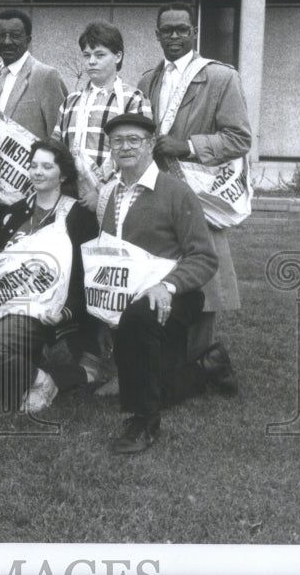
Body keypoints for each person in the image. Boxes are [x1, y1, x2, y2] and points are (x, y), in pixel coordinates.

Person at [92, 113, 232, 454]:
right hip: (130, 295)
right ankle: (208, 366)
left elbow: (204, 257)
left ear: (151, 145)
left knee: (140, 321)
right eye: (117, 141)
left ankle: (143, 421)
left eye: (134, 140)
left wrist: (166, 287)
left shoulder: (177, 193)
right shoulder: (108, 193)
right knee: (158, 383)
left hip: (174, 295)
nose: (125, 147)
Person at [137, 2, 251, 363]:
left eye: (181, 29)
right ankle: (167, 352)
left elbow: (239, 139)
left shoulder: (220, 77)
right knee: (163, 267)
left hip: (198, 191)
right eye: (167, 30)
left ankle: (203, 357)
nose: (174, 36)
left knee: (203, 272)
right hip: (158, 191)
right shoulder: (146, 80)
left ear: (194, 33)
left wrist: (187, 146)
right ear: (157, 35)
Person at [0, 139, 98, 413]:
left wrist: (65, 312)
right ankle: (44, 372)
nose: (37, 172)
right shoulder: (14, 212)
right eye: (33, 165)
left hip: (46, 310)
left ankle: (47, 381)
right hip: (6, 303)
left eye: (47, 166)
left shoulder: (78, 215)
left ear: (63, 175)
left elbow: (85, 275)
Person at [53, 20, 151, 212]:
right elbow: (57, 150)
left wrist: (102, 193)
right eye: (86, 55)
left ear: (118, 56)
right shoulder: (70, 102)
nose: (91, 61)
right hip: (70, 200)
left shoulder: (133, 99)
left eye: (99, 55)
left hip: (116, 200)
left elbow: (140, 155)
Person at [0, 9, 66, 140]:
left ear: (28, 40)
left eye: (15, 36)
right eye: (1, 35)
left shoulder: (46, 77)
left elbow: (59, 134)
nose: (7, 42)